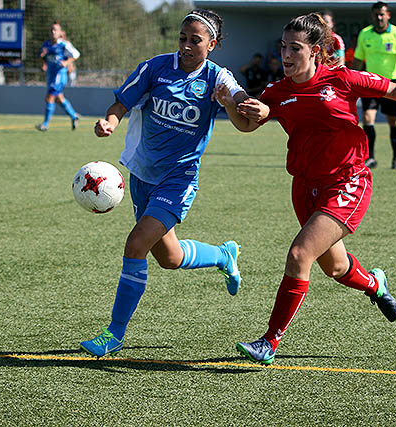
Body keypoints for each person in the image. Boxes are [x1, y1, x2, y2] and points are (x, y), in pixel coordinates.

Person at [232, 13, 396, 364]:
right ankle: (376, 285)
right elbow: (251, 123)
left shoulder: (341, 78)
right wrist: (239, 106)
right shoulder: (278, 90)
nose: (285, 55)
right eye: (283, 47)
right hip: (305, 186)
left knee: (300, 255)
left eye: (295, 48)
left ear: (315, 51)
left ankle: (269, 341)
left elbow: (391, 86)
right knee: (335, 268)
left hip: (348, 181)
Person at [80, 9, 267, 358]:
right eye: (182, 38)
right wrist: (109, 122)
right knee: (169, 256)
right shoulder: (155, 67)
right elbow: (122, 101)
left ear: (212, 44)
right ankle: (224, 255)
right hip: (142, 175)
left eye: (195, 40)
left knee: (135, 245)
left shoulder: (216, 77)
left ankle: (114, 334)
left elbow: (239, 99)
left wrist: (247, 105)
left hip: (178, 179)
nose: (186, 45)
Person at [353, 2, 396, 170]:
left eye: (382, 14)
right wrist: (351, 79)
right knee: (367, 118)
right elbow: (358, 58)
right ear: (372, 16)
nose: (379, 17)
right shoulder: (365, 34)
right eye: (376, 15)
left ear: (388, 15)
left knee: (393, 121)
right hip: (370, 83)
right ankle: (370, 157)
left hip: (393, 85)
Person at [36, 22, 81, 132]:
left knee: (49, 98)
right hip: (50, 75)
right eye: (52, 29)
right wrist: (43, 62)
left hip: (59, 76)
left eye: (55, 30)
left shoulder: (64, 44)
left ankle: (45, 124)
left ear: (60, 32)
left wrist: (67, 62)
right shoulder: (46, 45)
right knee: (59, 99)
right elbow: (43, 58)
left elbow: (76, 54)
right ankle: (74, 116)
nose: (53, 32)